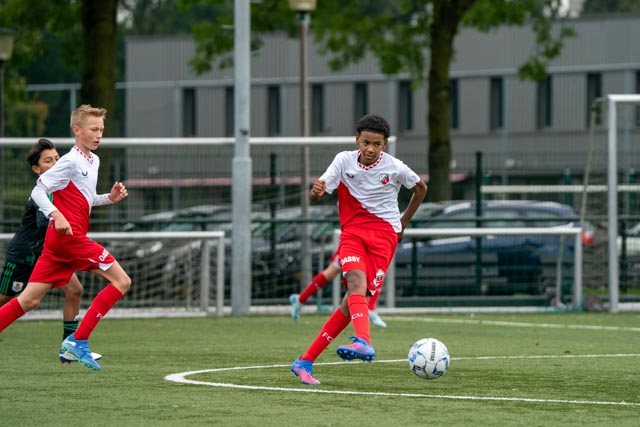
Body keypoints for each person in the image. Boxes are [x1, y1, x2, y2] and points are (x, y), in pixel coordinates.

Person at [290, 114, 427, 385]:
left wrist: (403, 222)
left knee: (349, 305)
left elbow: (421, 188)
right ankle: (363, 341)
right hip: (352, 233)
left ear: (385, 144)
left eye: (377, 144)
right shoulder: (343, 161)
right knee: (354, 282)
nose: (370, 149)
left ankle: (304, 361)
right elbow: (318, 192)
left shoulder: (395, 167)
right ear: (357, 140)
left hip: (384, 237)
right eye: (366, 142)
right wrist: (315, 193)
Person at [0, 105, 130, 371]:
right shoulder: (69, 161)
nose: (99, 135)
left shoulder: (93, 160)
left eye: (101, 130)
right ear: (76, 130)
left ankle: (72, 345)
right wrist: (56, 213)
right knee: (122, 281)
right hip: (68, 239)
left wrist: (109, 198)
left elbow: (85, 198)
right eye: (93, 129)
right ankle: (78, 341)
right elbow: (39, 191)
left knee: (28, 300)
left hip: (57, 244)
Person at [0, 139, 102, 363]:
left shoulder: (62, 186)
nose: (56, 163)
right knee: (8, 299)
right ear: (36, 169)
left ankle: (69, 346)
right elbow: (44, 223)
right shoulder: (44, 191)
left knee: (74, 290)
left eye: (57, 158)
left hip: (50, 255)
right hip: (25, 255)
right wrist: (64, 222)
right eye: (48, 161)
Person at [289, 249, 387, 328]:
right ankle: (300, 299)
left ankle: (370, 308)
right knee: (332, 272)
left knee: (378, 269)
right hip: (355, 242)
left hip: (371, 241)